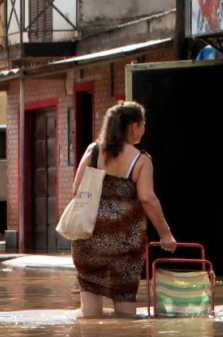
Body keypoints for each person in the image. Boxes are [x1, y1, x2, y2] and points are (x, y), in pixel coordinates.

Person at [71, 102, 177, 318]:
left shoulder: (93, 151)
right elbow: (147, 198)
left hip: (88, 239)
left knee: (90, 308)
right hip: (125, 245)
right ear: (134, 126)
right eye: (143, 124)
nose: (144, 129)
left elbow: (76, 189)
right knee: (125, 302)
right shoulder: (141, 161)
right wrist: (166, 233)